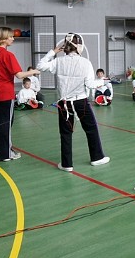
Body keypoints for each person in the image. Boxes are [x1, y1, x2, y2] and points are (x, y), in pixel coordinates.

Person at [37, 32, 110, 172]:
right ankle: (97, 158)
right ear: (79, 46)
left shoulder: (58, 61)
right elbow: (90, 84)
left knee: (66, 133)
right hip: (80, 102)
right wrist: (102, 82)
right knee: (91, 129)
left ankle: (67, 164)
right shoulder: (86, 63)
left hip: (64, 103)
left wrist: (53, 51)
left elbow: (40, 66)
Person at [0, 27, 40, 162]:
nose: (13, 38)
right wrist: (33, 72)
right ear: (4, 38)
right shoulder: (8, 55)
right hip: (4, 95)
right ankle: (5, 154)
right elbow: (19, 75)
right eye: (11, 36)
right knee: (5, 123)